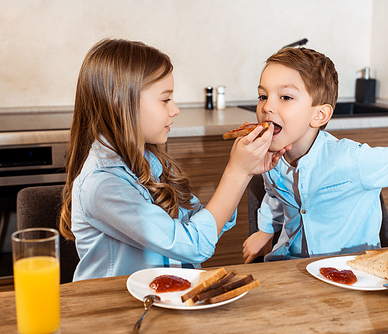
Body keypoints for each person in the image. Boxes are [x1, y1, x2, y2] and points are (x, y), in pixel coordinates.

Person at [59, 38, 287, 281]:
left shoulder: (152, 162)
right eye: (165, 99)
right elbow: (193, 244)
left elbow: (201, 222)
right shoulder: (103, 185)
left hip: (166, 298)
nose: (175, 109)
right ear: (120, 103)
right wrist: (236, 171)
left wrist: (247, 171)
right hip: (118, 310)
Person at [242, 47, 388, 264]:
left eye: (285, 97)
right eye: (263, 96)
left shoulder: (352, 159)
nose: (267, 107)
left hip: (351, 272)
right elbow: (274, 196)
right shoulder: (271, 159)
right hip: (288, 267)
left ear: (319, 115)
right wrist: (265, 231)